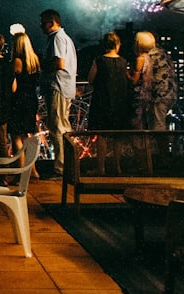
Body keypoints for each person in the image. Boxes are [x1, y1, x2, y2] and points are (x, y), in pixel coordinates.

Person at [39, 9, 77, 178]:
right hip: (65, 87)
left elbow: (59, 63)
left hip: (58, 87)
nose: (41, 26)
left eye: (43, 23)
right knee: (64, 127)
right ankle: (69, 165)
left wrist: (42, 65)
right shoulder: (65, 38)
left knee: (57, 128)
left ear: (52, 22)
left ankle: (61, 168)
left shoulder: (57, 38)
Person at [129, 31, 178, 130]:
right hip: (169, 94)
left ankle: (158, 146)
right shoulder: (162, 53)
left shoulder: (147, 57)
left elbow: (136, 79)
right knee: (159, 126)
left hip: (158, 96)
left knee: (157, 128)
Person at [9, 29, 41, 173]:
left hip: (18, 100)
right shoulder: (34, 59)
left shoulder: (16, 62)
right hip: (31, 99)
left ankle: (20, 170)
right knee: (27, 135)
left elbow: (13, 86)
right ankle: (32, 169)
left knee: (16, 135)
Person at [86, 32, 131, 130]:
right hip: (119, 102)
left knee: (100, 131)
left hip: (101, 101)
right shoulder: (123, 62)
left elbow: (90, 79)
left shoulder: (99, 60)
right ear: (117, 45)